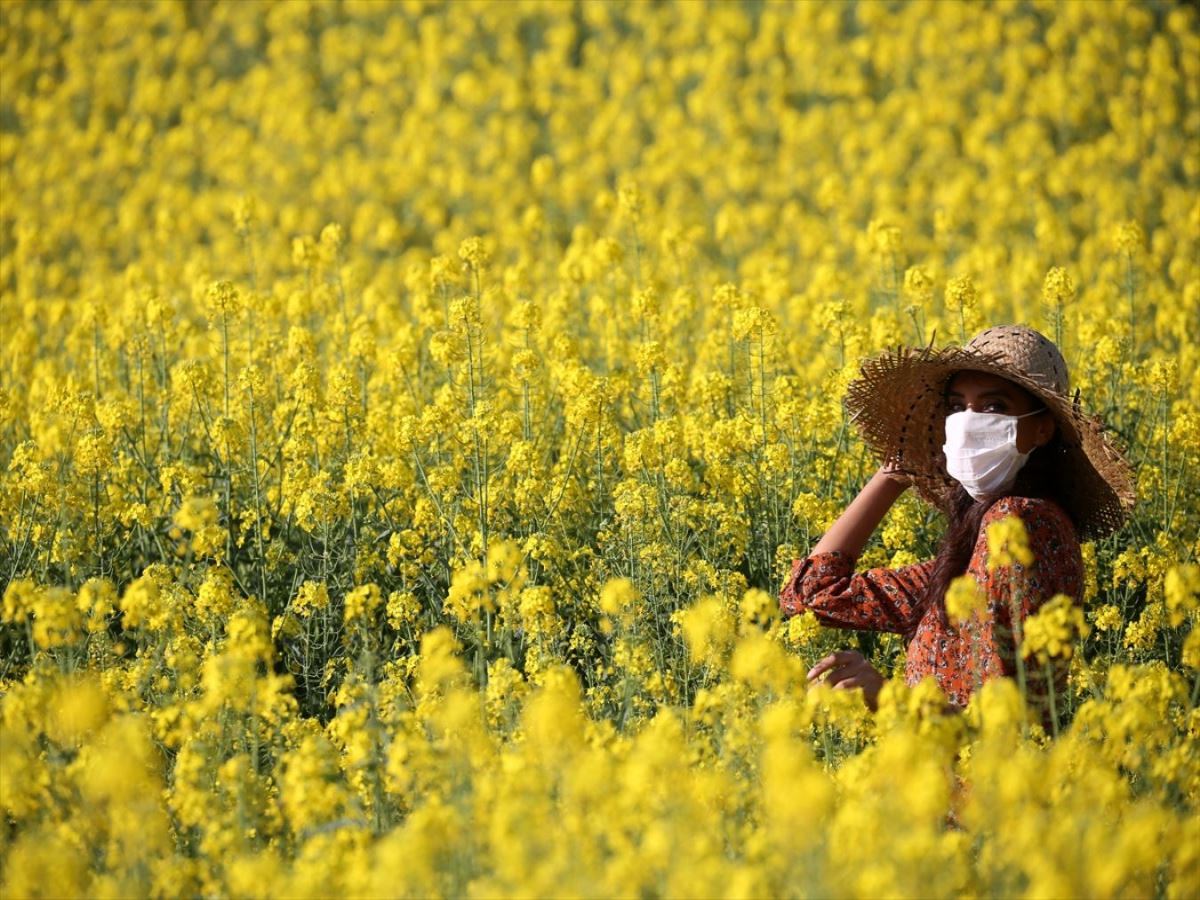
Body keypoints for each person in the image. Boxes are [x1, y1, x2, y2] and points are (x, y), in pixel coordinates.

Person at [779, 325, 1135, 725]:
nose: (967, 423)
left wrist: (888, 698)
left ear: (1042, 428)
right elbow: (811, 594)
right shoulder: (969, 553)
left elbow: (999, 723)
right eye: (955, 406)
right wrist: (895, 471)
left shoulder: (1020, 523)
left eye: (994, 407)